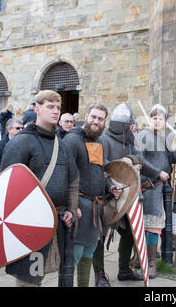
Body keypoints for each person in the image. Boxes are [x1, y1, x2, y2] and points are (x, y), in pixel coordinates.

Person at [0, 90, 79, 287]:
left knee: (48, 270)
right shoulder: (21, 142)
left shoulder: (62, 145)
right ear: (37, 109)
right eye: (50, 107)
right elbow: (7, 186)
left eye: (58, 107)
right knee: (30, 278)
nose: (55, 111)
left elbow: (73, 180)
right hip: (30, 224)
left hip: (58, 221)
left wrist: (71, 209)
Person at [63, 102, 121, 287]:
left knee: (89, 252)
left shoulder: (101, 141)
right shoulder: (72, 140)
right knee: (74, 255)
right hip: (79, 207)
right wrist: (71, 206)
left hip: (96, 209)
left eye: (100, 119)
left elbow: (100, 172)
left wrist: (110, 187)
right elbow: (63, 176)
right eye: (93, 117)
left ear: (105, 122)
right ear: (86, 116)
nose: (96, 121)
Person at [99, 103, 155, 283]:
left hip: (128, 194)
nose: (131, 127)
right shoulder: (104, 139)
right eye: (128, 124)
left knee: (130, 233)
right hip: (108, 193)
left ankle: (124, 269)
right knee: (101, 235)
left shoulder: (129, 139)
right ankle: (99, 274)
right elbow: (103, 165)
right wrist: (120, 166)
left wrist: (130, 159)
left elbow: (139, 157)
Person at [134, 104, 176, 279]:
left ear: (165, 121)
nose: (157, 121)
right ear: (150, 119)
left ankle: (145, 258)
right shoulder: (143, 136)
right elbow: (138, 159)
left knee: (156, 225)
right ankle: (148, 262)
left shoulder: (166, 138)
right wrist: (157, 173)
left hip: (163, 187)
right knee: (150, 225)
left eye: (160, 118)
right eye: (154, 118)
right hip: (149, 185)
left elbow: (173, 159)